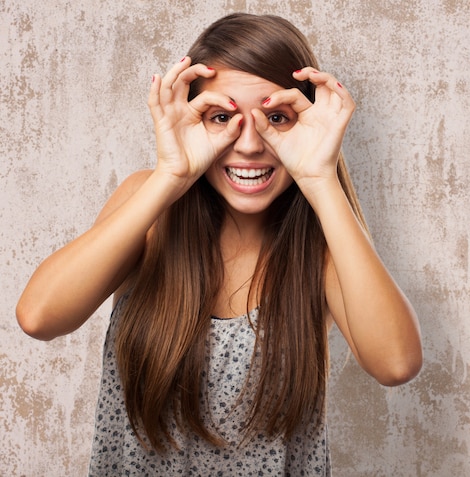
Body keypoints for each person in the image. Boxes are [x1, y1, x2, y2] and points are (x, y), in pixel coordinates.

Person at [16, 12, 422, 476]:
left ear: (308, 122)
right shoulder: (148, 208)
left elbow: (396, 363)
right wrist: (171, 175)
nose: (249, 143)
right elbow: (39, 317)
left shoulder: (324, 246)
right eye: (222, 117)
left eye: (276, 118)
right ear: (191, 118)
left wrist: (319, 178)